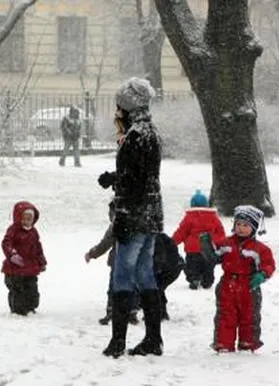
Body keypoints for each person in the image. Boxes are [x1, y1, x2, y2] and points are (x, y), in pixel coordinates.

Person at [98, 77, 165, 358]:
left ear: (128, 107)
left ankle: (118, 342)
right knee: (145, 273)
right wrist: (116, 177)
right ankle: (153, 339)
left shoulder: (136, 136)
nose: (116, 113)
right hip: (150, 215)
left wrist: (122, 217)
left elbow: (136, 181)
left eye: (119, 107)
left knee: (123, 277)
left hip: (135, 216)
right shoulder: (149, 132)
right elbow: (142, 176)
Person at [200, 205, 276, 353]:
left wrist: (262, 275)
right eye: (238, 224)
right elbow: (215, 257)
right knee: (225, 316)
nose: (241, 228)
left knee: (249, 316)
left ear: (253, 228)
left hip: (249, 287)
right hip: (227, 285)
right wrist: (206, 245)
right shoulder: (226, 243)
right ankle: (224, 344)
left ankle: (247, 343)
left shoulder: (259, 249)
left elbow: (268, 264)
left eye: (246, 225)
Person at [84, 200, 140, 326]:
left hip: (119, 263)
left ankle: (112, 311)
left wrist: (91, 254)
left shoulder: (116, 225)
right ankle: (131, 312)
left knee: (114, 287)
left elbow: (105, 244)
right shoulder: (138, 223)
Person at [172, 189, 226, 290]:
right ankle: (207, 281)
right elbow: (219, 232)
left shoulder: (189, 217)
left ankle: (194, 279)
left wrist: (172, 242)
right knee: (208, 267)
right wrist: (221, 243)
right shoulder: (213, 217)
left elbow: (182, 232)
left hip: (192, 250)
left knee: (192, 266)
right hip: (208, 249)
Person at [1, 201, 47, 316]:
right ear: (18, 218)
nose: (26, 221)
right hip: (15, 269)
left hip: (30, 268)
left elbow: (37, 247)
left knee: (32, 289)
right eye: (24, 218)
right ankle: (17, 311)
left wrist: (41, 261)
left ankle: (30, 307)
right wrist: (12, 255)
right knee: (17, 291)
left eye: (29, 219)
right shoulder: (13, 230)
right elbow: (6, 243)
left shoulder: (33, 232)